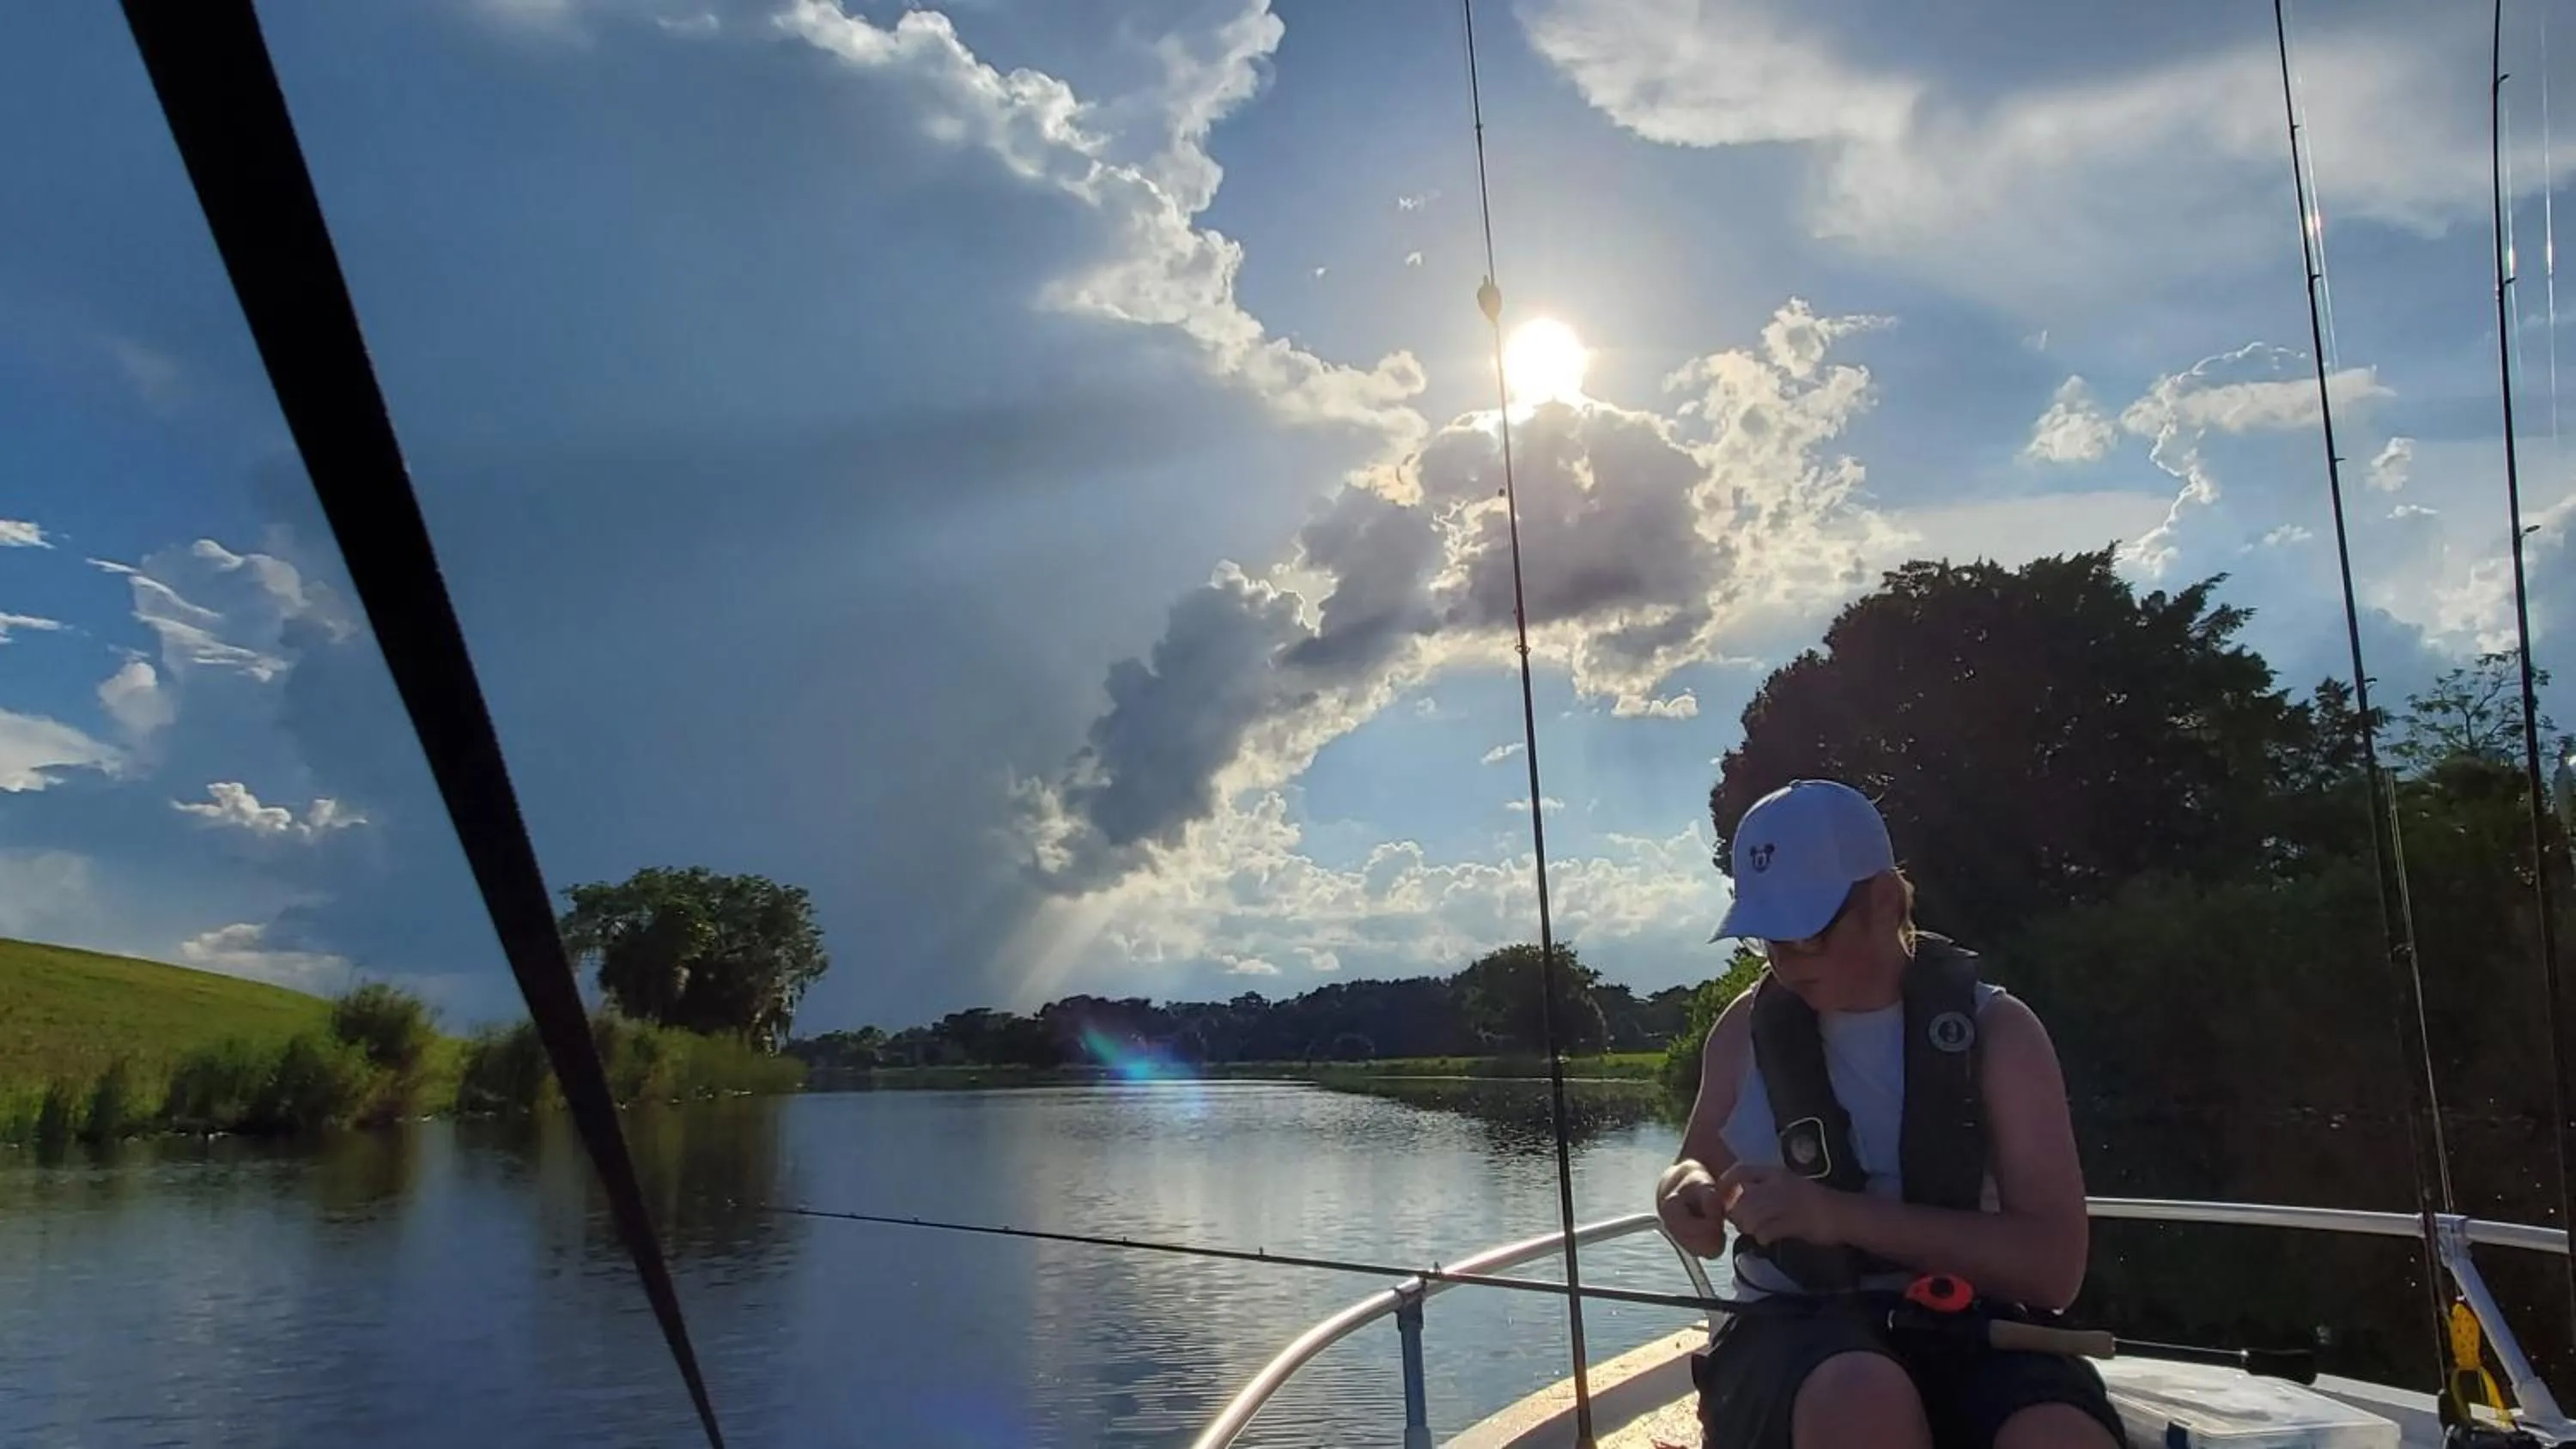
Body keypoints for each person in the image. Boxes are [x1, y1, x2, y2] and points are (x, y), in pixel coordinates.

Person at [1656, 779, 2124, 1449]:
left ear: (1883, 901)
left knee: (2058, 1436)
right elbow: (1693, 1166)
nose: (1783, 964)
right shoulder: (1745, 1029)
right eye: (1768, 940)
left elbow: (2052, 1269)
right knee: (1860, 1399)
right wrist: (1686, 1196)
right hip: (1792, 1324)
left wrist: (1837, 1216)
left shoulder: (2001, 1033)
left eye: (1805, 935)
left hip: (1978, 1324)